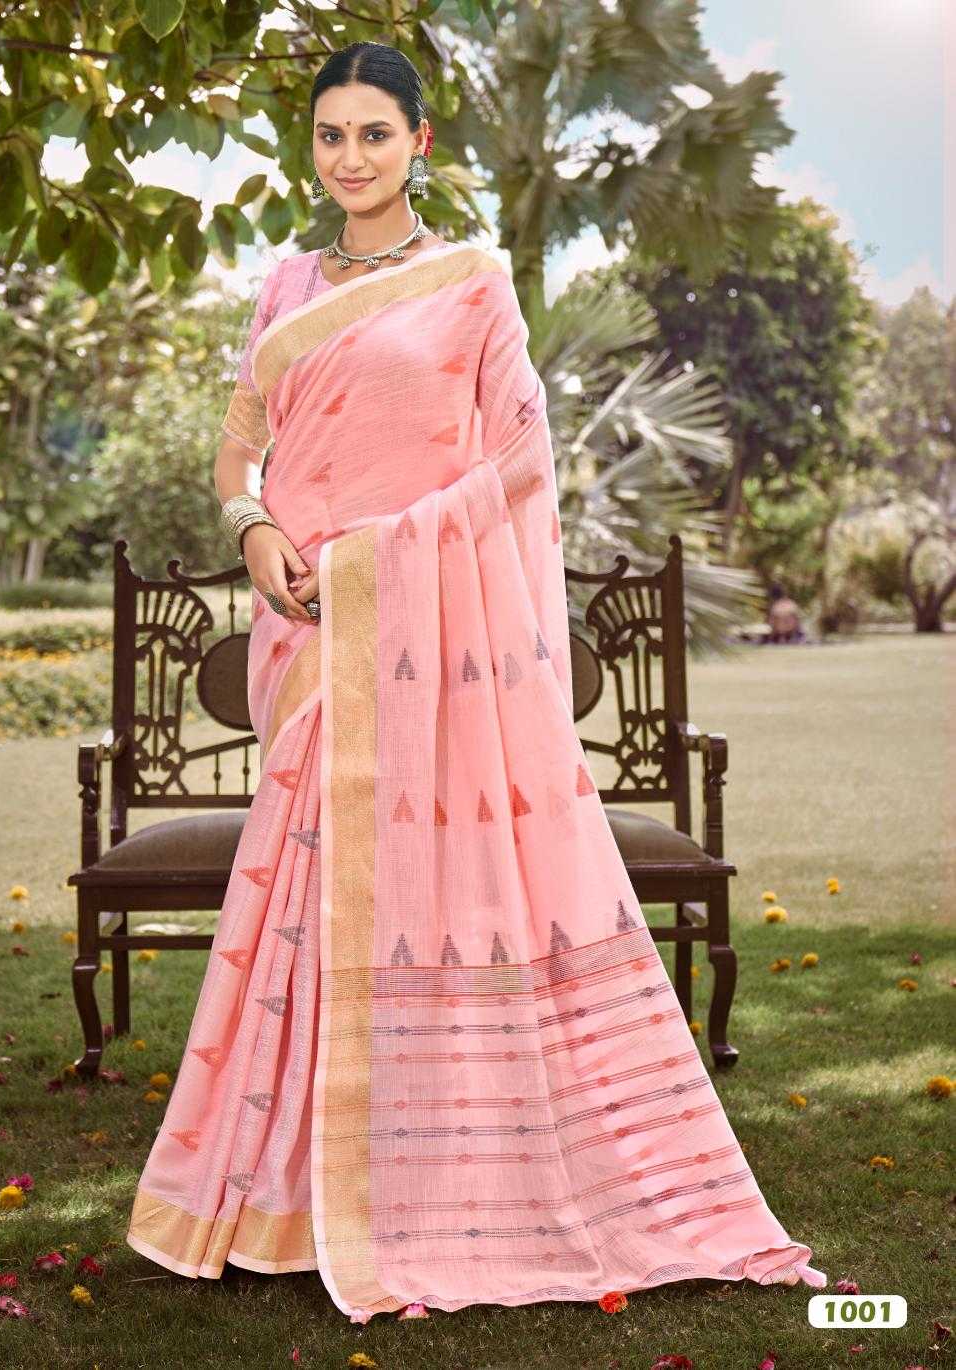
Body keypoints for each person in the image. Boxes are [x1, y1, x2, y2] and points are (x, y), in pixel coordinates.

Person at [124, 40, 826, 1316]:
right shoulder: (285, 283)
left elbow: (520, 461)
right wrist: (255, 527)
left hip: (418, 632)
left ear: (420, 142)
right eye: (330, 134)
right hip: (308, 630)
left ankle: (436, 1186)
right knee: (311, 896)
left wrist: (383, 551)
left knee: (417, 889)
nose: (349, 157)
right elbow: (238, 453)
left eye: (373, 133)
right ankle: (280, 1193)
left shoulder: (472, 285)